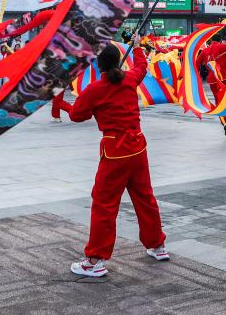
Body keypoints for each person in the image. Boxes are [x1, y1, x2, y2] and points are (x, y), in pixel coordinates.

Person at [68, 38, 168, 277]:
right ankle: (157, 245)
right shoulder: (130, 79)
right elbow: (141, 66)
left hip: (115, 152)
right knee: (145, 197)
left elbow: (76, 116)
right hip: (138, 147)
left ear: (98, 65)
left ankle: (94, 260)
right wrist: (136, 47)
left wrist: (78, 105)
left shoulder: (94, 90)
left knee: (104, 204)